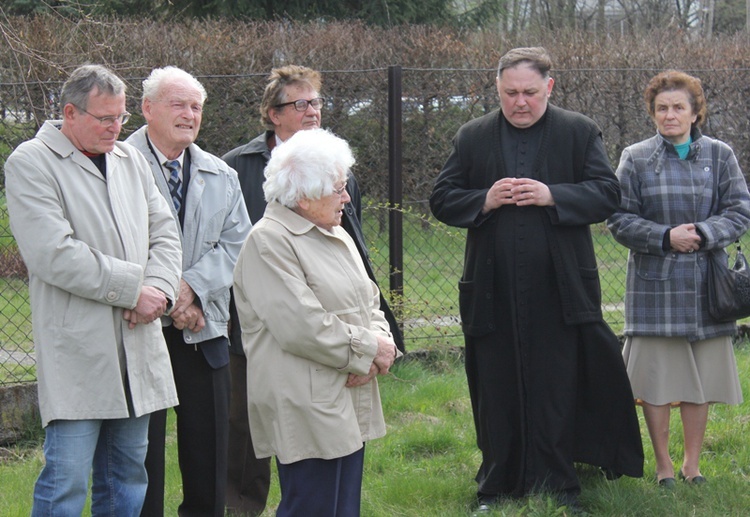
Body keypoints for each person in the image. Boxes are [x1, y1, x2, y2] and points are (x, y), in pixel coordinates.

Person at [429, 47, 644, 513]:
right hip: (491, 289)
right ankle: (495, 486)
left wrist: (553, 195)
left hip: (561, 287)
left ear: (549, 87)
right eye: (510, 93)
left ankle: (560, 485)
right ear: (498, 89)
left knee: (557, 386)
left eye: (529, 92)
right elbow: (442, 198)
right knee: (495, 386)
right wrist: (484, 200)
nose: (519, 102)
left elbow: (608, 193)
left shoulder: (578, 131)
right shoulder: (473, 136)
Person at [221, 64, 405, 515]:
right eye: (337, 189)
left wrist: (377, 345)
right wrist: (367, 351)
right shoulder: (268, 241)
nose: (346, 198)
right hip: (304, 399)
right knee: (312, 505)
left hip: (345, 388)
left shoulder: (332, 230)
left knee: (343, 505)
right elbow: (300, 325)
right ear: (302, 196)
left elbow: (367, 296)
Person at [4, 64, 182, 515]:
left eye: (121, 118)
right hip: (78, 350)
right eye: (105, 119)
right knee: (66, 481)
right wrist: (132, 290)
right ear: (69, 112)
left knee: (127, 478)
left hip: (138, 343)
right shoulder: (30, 162)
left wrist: (159, 290)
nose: (116, 128)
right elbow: (54, 254)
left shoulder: (130, 160)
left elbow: (165, 232)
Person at [607, 70, 750, 488]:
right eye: (662, 108)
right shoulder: (634, 157)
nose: (670, 115)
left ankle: (693, 466)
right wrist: (665, 237)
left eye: (678, 107)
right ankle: (664, 466)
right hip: (654, 285)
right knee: (656, 383)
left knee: (698, 383)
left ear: (694, 111)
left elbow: (740, 211)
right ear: (652, 113)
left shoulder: (720, 155)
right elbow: (618, 218)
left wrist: (704, 234)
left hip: (709, 284)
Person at [126, 66, 252, 516]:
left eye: (196, 107)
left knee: (209, 450)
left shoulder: (221, 174)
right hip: (140, 330)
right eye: (178, 104)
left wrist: (193, 291)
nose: (189, 114)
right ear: (147, 108)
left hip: (204, 329)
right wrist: (167, 294)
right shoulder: (116, 166)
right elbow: (112, 241)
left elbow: (238, 244)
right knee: (140, 456)